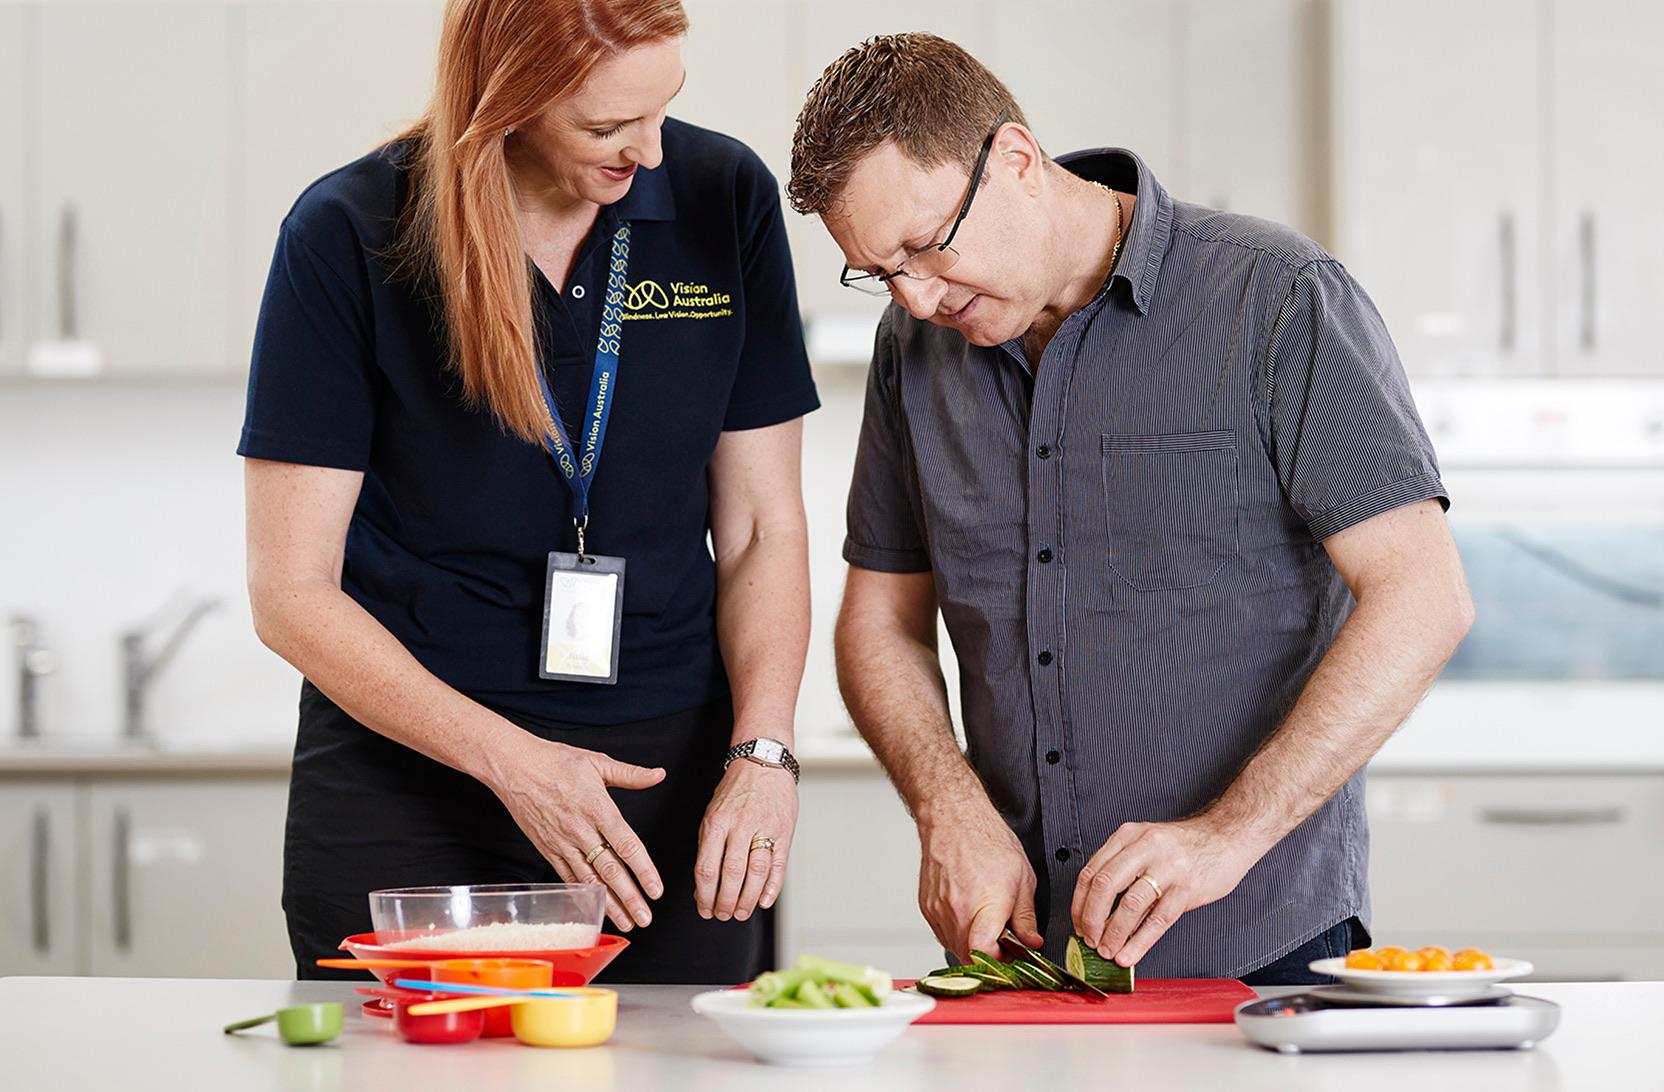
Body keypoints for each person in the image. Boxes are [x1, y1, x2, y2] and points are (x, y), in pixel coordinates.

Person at [788, 33, 1474, 985]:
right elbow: (880, 623)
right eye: (878, 270)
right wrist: (946, 803)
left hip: (1259, 948)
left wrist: (1227, 837)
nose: (915, 294)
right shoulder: (916, 348)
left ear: (1018, 162)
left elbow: (1423, 597)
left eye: (923, 245)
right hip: (1015, 957)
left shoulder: (1275, 298)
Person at [239, 0, 817, 984]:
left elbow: (763, 526)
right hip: (408, 782)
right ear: (505, 100)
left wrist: (762, 753)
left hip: (664, 785)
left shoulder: (725, 199)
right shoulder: (349, 232)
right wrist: (512, 761)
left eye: (663, 109)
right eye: (603, 127)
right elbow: (291, 593)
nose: (651, 153)